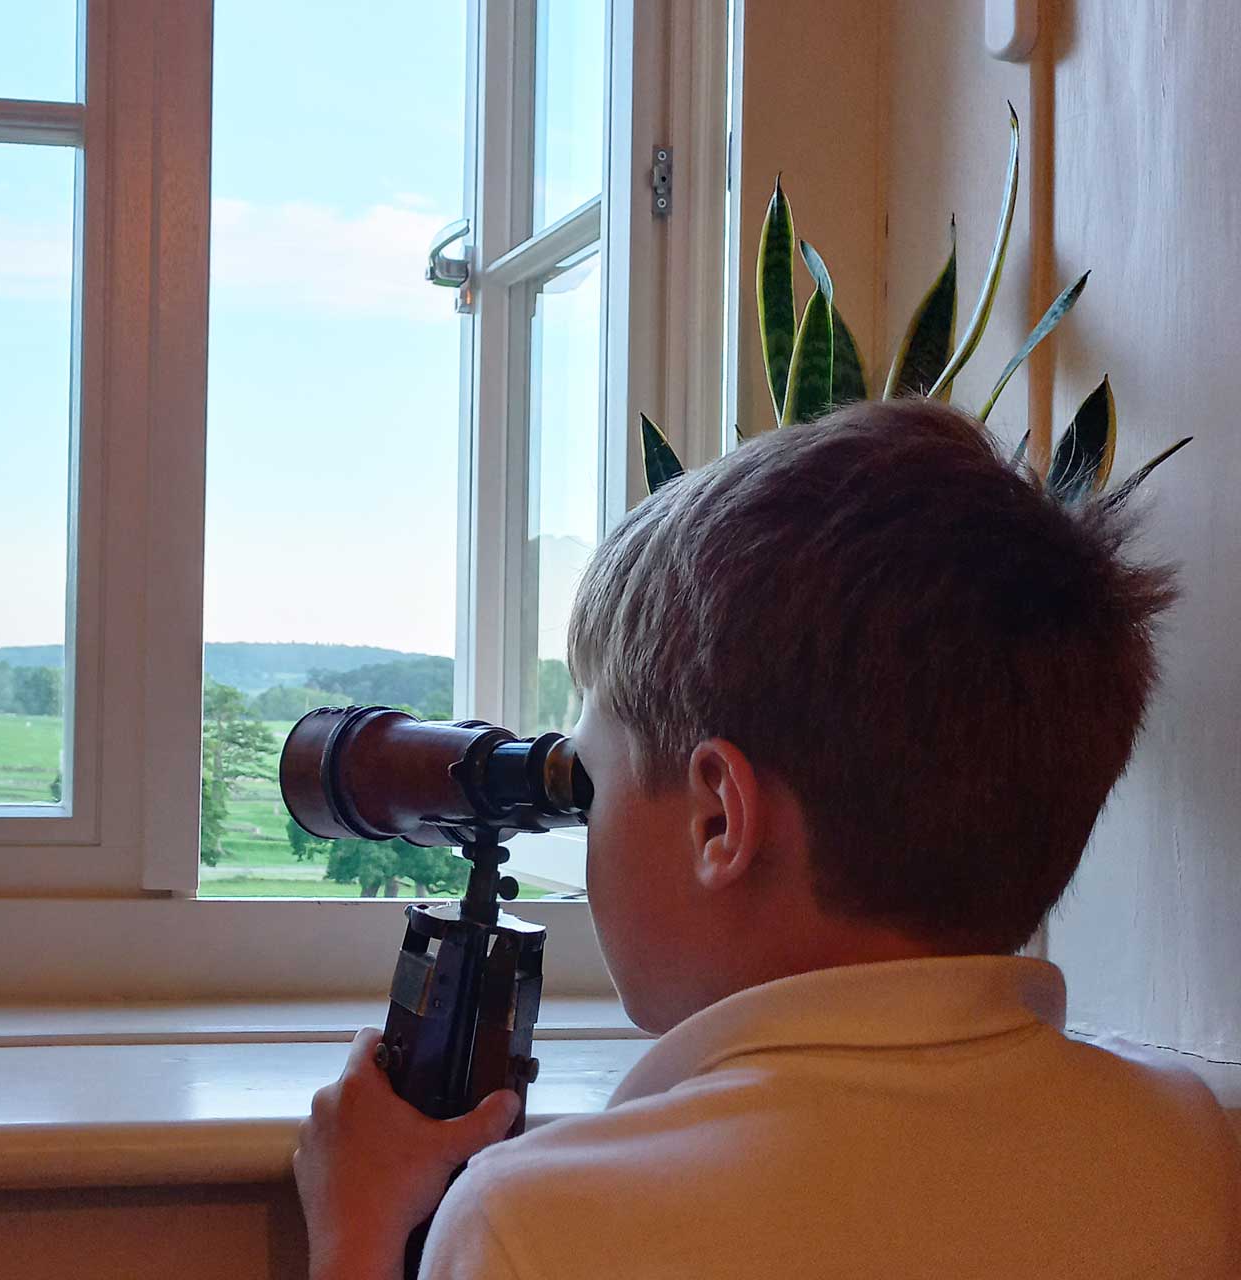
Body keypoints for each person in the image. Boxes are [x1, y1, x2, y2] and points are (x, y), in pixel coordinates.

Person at [293, 399, 1241, 1278]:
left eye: (596, 778)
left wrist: (358, 1233)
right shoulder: (1185, 1142)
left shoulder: (538, 1225)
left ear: (718, 819)